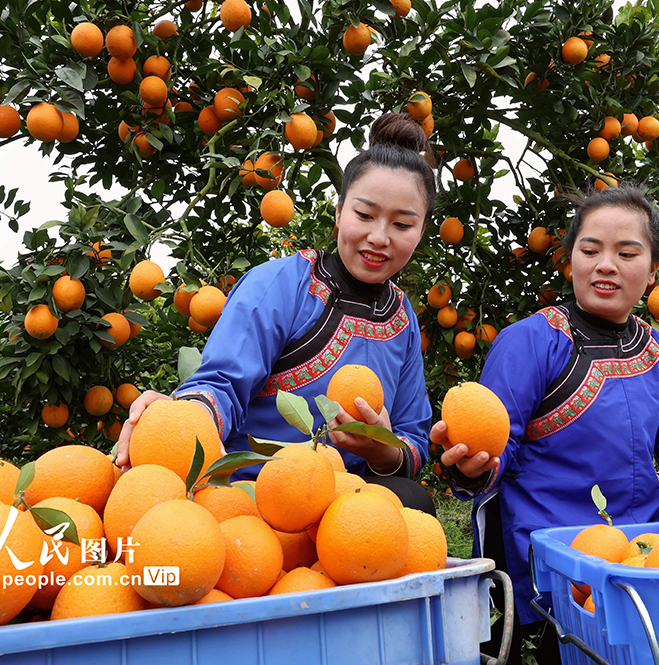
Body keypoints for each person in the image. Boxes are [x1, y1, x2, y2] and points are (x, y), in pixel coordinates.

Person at [430, 184, 659, 660]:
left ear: (653, 271)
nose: (606, 264)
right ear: (570, 261)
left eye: (627, 252)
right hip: (551, 564)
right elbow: (494, 444)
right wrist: (470, 466)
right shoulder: (531, 341)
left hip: (642, 556)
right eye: (590, 249)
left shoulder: (657, 353)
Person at [116, 112, 436, 514]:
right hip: (258, 489)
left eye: (402, 224)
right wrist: (185, 417)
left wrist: (383, 452)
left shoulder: (402, 318)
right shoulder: (282, 283)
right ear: (338, 213)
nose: (378, 237)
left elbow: (412, 435)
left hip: (345, 505)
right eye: (365, 215)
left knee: (414, 502)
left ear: (420, 231)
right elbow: (222, 383)